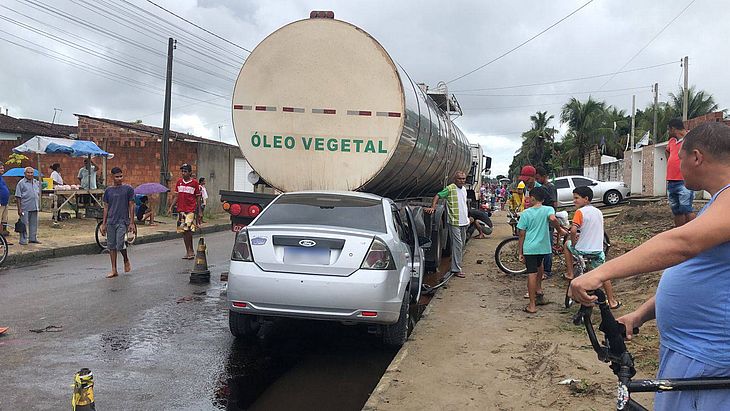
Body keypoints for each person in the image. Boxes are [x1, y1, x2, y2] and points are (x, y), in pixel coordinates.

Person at [570, 122, 730, 410]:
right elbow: (704, 275)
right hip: (691, 352)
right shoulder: (717, 203)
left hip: (708, 358)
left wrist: (599, 273)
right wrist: (640, 315)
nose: (677, 168)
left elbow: (682, 244)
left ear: (697, 157)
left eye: (678, 160)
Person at [563, 186, 620, 308]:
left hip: (582, 250)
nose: (574, 201)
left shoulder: (580, 212)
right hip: (598, 251)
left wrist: (574, 244)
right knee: (604, 275)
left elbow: (573, 231)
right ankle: (612, 301)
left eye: (576, 198)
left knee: (566, 246)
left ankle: (570, 273)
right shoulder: (598, 212)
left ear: (586, 199)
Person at [517, 186, 564, 314]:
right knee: (540, 265)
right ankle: (539, 291)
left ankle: (532, 305)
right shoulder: (548, 209)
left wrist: (520, 252)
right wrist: (560, 230)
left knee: (531, 273)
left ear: (532, 198)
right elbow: (553, 219)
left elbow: (521, 234)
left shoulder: (526, 213)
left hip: (530, 247)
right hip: (543, 247)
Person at [425, 171, 469, 278]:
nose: (462, 181)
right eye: (459, 179)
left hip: (464, 222)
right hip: (454, 221)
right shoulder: (450, 188)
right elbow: (438, 195)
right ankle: (456, 269)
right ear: (455, 179)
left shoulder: (464, 189)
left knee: (461, 244)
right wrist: (433, 207)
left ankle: (456, 266)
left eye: (463, 179)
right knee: (458, 245)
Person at [100, 167, 135, 279]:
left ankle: (125, 259)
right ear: (112, 177)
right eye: (117, 177)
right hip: (111, 221)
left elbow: (131, 205)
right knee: (111, 246)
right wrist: (103, 223)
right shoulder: (108, 191)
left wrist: (131, 222)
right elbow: (106, 207)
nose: (119, 178)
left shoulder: (128, 189)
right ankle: (114, 269)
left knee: (120, 244)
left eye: (121, 176)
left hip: (122, 220)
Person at [666, 118, 696, 227]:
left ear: (673, 129)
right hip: (671, 180)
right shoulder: (672, 141)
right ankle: (679, 231)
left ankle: (692, 231)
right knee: (676, 210)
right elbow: (667, 151)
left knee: (686, 208)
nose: (668, 132)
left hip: (684, 180)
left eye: (669, 129)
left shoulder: (690, 139)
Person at [168, 163, 200, 260]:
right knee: (183, 231)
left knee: (188, 230)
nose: (183, 173)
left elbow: (198, 198)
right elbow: (177, 196)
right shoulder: (179, 182)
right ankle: (188, 250)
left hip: (190, 210)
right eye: (182, 171)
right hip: (181, 210)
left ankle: (190, 250)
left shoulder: (194, 183)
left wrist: (199, 211)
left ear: (190, 172)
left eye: (185, 171)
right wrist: (171, 207)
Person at [535, 166, 558, 277]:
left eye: (538, 177)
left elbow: (554, 203)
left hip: (549, 219)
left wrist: (551, 216)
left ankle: (547, 271)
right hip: (544, 218)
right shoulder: (543, 187)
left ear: (544, 177)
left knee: (547, 246)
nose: (537, 180)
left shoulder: (550, 187)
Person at [15, 167, 41, 245]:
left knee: (34, 224)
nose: (30, 174)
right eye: (28, 173)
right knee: (23, 224)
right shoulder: (21, 183)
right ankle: (23, 240)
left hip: (34, 206)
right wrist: (19, 209)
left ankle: (32, 238)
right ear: (25, 174)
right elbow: (18, 197)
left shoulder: (36, 182)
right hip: (25, 207)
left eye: (31, 173)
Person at [0, 162, 10, 238]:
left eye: (3, 168)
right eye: (0, 168)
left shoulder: (1, 178)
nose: (2, 169)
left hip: (5, 202)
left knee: (4, 220)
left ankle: (2, 236)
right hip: (0, 203)